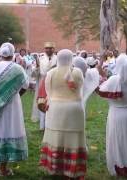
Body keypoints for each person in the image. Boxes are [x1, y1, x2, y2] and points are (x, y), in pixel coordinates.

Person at [39, 49, 86, 179]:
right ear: (71, 58)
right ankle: (72, 168)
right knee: (74, 139)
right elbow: (81, 88)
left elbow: (48, 92)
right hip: (74, 109)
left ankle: (56, 167)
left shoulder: (51, 73)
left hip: (56, 109)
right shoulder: (77, 72)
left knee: (56, 136)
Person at [0, 42, 29, 176]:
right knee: (8, 131)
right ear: (12, 53)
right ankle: (3, 169)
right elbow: (25, 86)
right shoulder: (17, 68)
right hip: (12, 104)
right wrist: (12, 94)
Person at [98, 54, 127, 178]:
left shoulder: (115, 80)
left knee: (118, 141)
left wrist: (101, 77)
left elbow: (101, 91)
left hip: (118, 114)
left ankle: (120, 166)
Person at [34, 42, 57, 130]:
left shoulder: (57, 59)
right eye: (46, 48)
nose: (48, 50)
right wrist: (36, 68)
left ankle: (52, 124)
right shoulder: (40, 59)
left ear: (53, 49)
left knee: (52, 102)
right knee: (42, 102)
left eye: (50, 48)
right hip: (42, 83)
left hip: (53, 83)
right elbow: (35, 74)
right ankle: (42, 126)